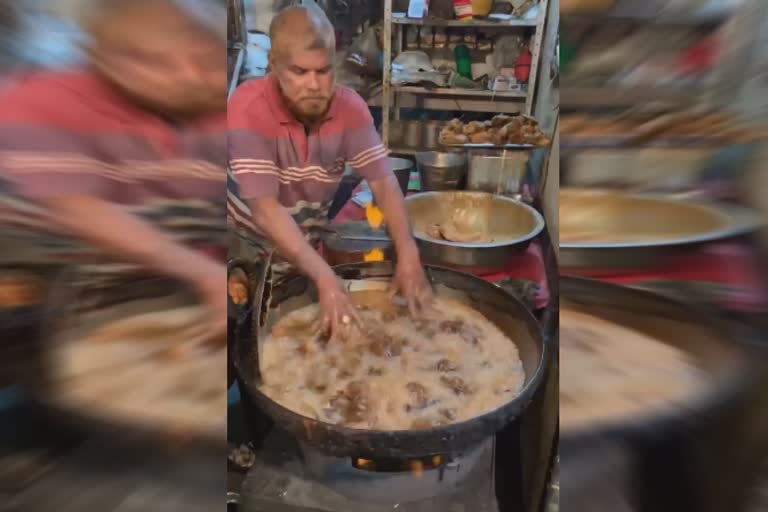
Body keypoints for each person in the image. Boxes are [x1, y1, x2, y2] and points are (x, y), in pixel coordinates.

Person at [0, 0, 227, 338]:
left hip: (163, 282)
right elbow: (81, 213)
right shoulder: (38, 101)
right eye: (150, 61)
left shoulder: (228, 116)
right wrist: (205, 273)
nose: (189, 76)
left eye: (207, 60)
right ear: (102, 58)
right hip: (41, 285)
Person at [228, 4, 432, 339]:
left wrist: (408, 250)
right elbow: (265, 209)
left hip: (301, 258)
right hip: (240, 255)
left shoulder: (350, 110)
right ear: (274, 66)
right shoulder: (247, 109)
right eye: (299, 71)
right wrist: (325, 277)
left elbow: (382, 181)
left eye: (323, 71)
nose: (314, 85)